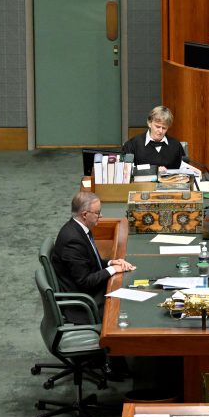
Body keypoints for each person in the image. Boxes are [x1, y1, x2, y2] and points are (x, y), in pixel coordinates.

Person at [51, 191, 135, 320]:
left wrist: (111, 263)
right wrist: (112, 270)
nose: (101, 216)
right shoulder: (72, 240)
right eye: (97, 213)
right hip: (85, 303)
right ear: (85, 215)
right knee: (127, 311)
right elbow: (85, 282)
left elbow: (89, 261)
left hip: (91, 291)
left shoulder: (80, 228)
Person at [120, 105, 187, 171]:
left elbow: (184, 171)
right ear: (149, 123)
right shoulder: (132, 145)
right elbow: (126, 172)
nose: (160, 131)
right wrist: (153, 170)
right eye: (157, 127)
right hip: (141, 182)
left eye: (164, 128)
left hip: (168, 181)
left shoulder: (176, 145)